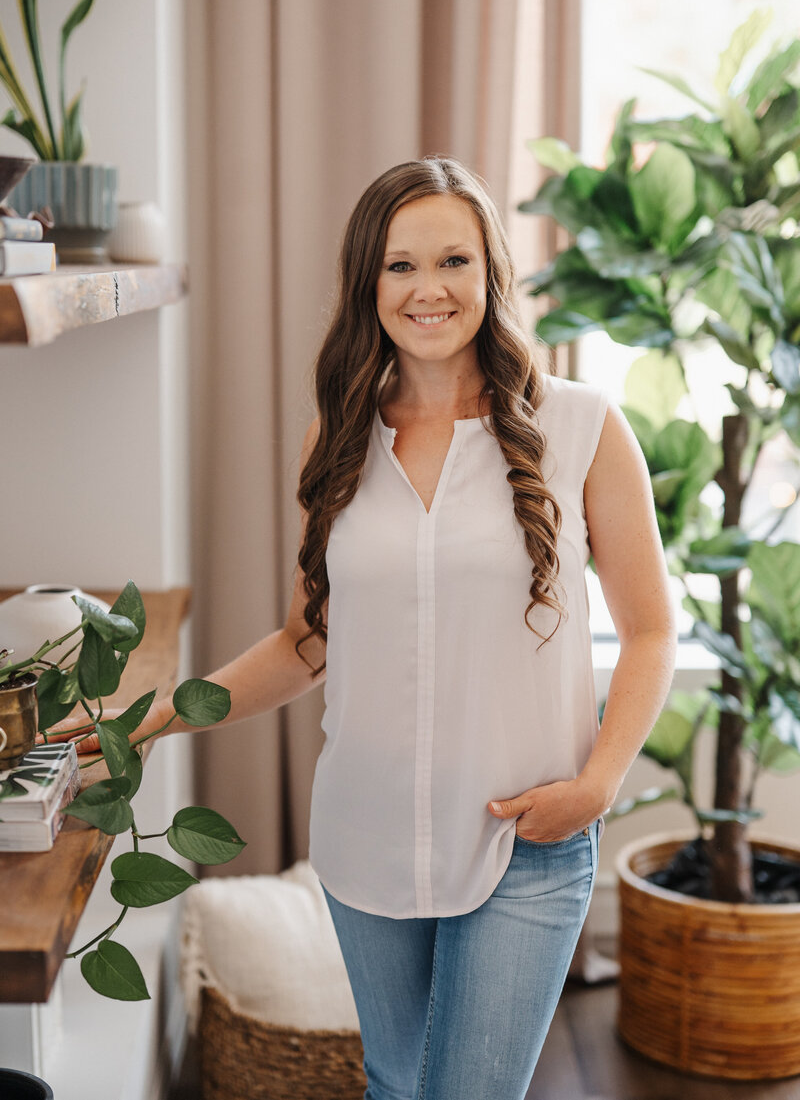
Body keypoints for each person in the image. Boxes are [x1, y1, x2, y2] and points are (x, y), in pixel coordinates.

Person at [56, 157, 676, 1100]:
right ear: (367, 283)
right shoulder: (336, 437)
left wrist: (597, 784)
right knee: (392, 1082)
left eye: (454, 261)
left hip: (529, 838)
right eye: (399, 266)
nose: (428, 289)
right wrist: (148, 721)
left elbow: (650, 631)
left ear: (491, 273)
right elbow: (309, 642)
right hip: (366, 834)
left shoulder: (584, 426)